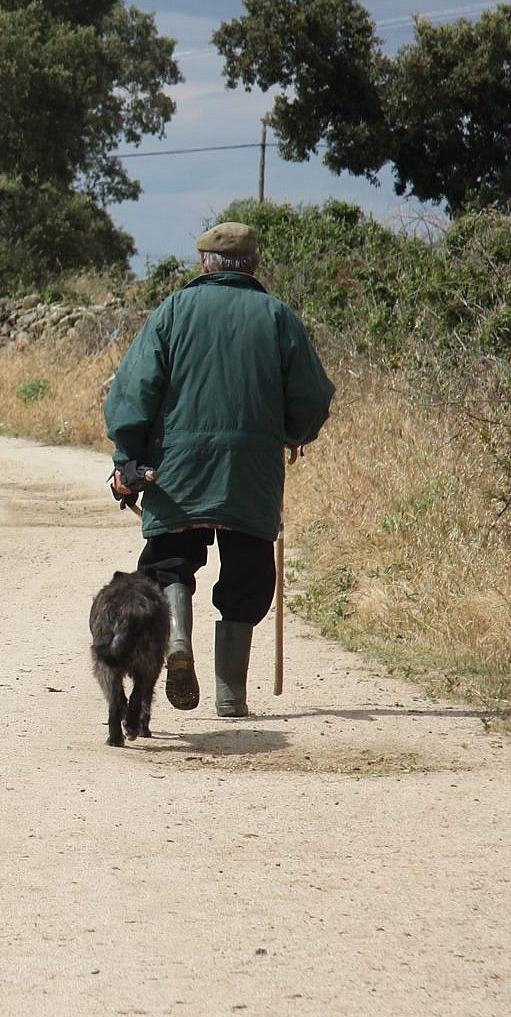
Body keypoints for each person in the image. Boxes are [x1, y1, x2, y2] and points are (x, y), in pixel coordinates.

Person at [102, 221, 334, 717]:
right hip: (251, 469)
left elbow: (134, 390)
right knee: (248, 572)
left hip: (177, 468)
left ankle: (176, 640)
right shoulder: (277, 316)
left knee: (169, 562)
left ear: (205, 264)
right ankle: (231, 695)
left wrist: (127, 457)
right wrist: (292, 433)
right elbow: (313, 398)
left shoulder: (173, 311)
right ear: (254, 264)